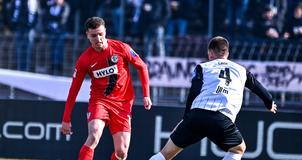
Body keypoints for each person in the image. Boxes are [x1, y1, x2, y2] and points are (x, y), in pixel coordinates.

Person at [149, 36, 277, 160]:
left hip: (197, 115)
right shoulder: (242, 70)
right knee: (238, 149)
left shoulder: (203, 67)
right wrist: (269, 102)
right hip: (221, 119)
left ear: (210, 53)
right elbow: (258, 87)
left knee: (165, 154)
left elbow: (194, 92)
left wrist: (186, 118)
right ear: (227, 52)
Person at [60, 17, 152, 160]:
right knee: (94, 134)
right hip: (100, 101)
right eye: (93, 35)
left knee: (121, 152)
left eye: (101, 34)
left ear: (105, 32)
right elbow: (74, 90)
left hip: (123, 103)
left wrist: (146, 95)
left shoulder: (121, 48)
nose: (98, 38)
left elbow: (142, 67)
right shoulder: (84, 60)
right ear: (87, 36)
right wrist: (66, 118)